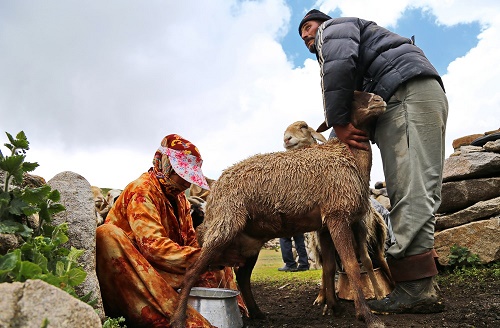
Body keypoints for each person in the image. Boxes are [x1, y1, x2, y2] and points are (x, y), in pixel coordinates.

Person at [298, 9, 448, 314]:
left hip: (405, 96)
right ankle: (421, 284)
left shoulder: (334, 30)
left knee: (411, 186)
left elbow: (338, 66)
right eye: (301, 34)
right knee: (417, 184)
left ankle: (416, 288)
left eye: (309, 27)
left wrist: (338, 120)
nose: (306, 35)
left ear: (323, 23)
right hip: (411, 94)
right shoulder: (363, 49)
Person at [95, 134, 248, 327]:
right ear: (165, 165)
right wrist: (206, 258)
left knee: (215, 253)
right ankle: (179, 318)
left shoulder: (180, 198)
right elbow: (153, 248)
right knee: (106, 234)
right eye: (182, 174)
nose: (187, 183)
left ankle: (223, 312)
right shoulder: (141, 191)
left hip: (166, 267)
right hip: (138, 272)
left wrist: (214, 256)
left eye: (189, 177)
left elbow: (190, 241)